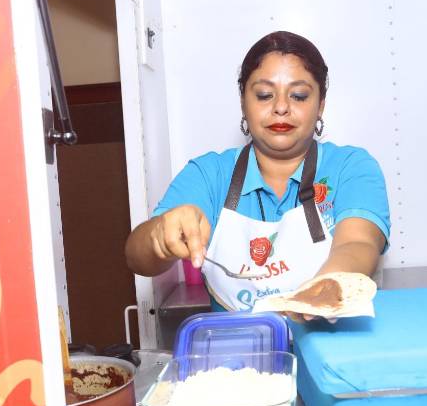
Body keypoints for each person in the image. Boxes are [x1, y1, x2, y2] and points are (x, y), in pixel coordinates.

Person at [125, 31, 390, 314]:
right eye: (264, 95)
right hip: (238, 352)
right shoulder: (209, 174)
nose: (281, 108)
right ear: (243, 102)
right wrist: (159, 237)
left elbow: (358, 242)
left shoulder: (351, 167)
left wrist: (323, 291)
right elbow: (137, 257)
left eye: (299, 96)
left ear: (320, 105)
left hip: (329, 348)